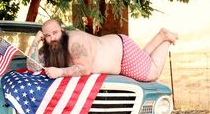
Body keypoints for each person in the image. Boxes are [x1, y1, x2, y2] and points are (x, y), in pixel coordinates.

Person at [26, 19, 178, 82]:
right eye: (47, 35)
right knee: (144, 60)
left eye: (55, 33)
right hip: (116, 51)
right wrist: (34, 42)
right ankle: (160, 37)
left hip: (122, 53)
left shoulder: (74, 42)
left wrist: (59, 72)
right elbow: (33, 66)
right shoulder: (52, 47)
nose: (52, 38)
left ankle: (166, 39)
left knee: (152, 73)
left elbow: (85, 69)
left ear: (62, 30)